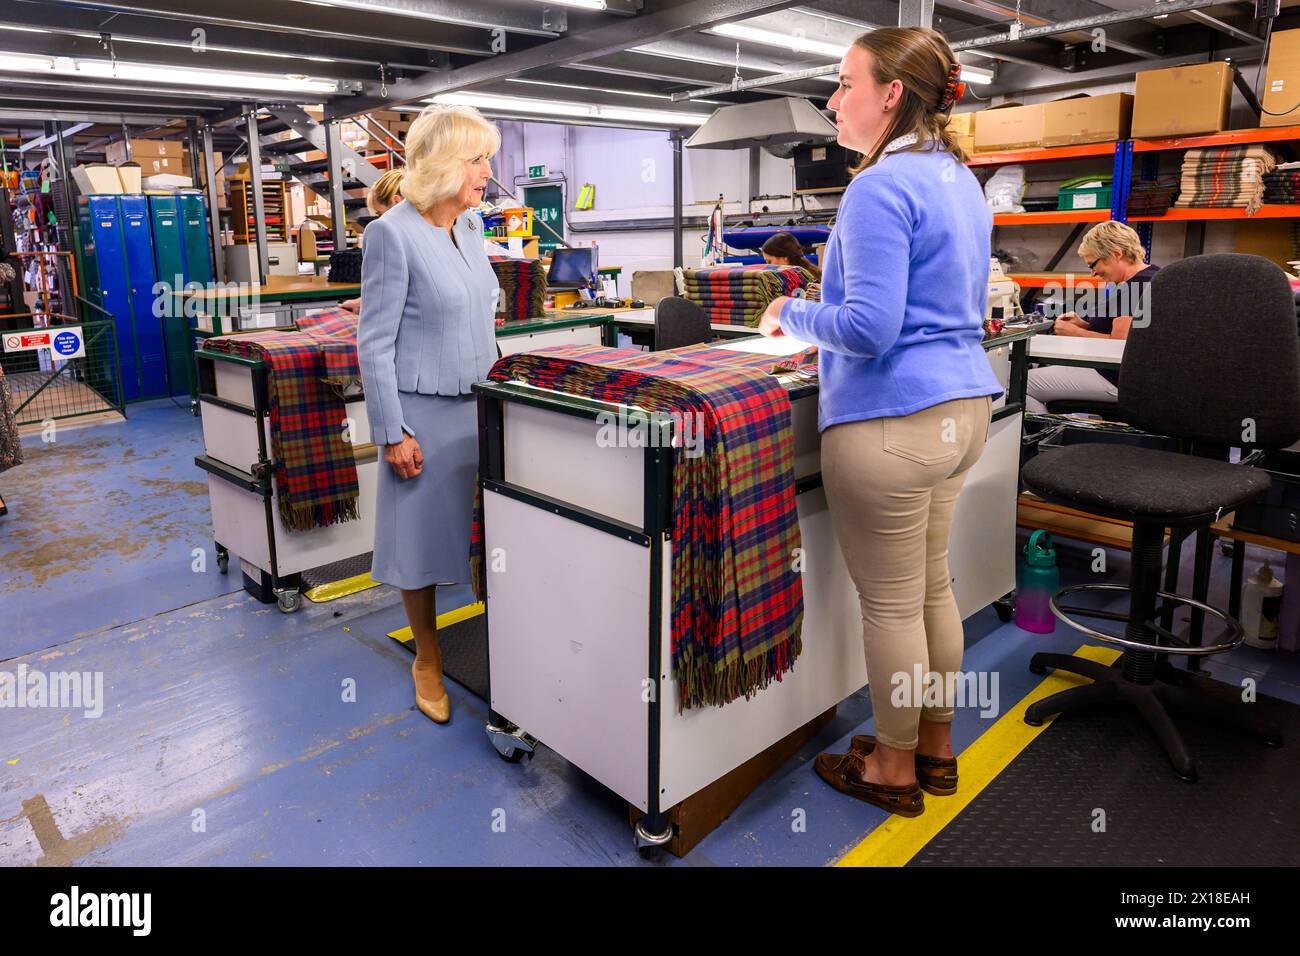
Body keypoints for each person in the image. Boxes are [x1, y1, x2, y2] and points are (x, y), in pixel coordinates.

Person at [757, 26, 1003, 817]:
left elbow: (867, 328)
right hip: (962, 410)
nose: (832, 101)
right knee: (934, 587)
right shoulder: (958, 178)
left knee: (893, 606)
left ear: (890, 95)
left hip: (892, 417)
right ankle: (934, 748)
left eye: (843, 84)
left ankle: (892, 770)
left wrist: (788, 312)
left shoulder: (875, 187)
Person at [356, 105, 500, 725]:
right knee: (419, 547)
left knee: (490, 536)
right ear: (444, 164)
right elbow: (373, 342)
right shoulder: (391, 234)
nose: (488, 172)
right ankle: (428, 656)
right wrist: (392, 433)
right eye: (477, 160)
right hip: (422, 415)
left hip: (481, 405)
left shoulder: (469, 229)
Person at [1026, 220, 1159, 414]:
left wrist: (1076, 332)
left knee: (1021, 385)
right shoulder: (1152, 276)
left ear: (1116, 254)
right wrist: (1085, 325)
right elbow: (1132, 332)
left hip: (1117, 379)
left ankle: (1040, 440)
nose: (1093, 273)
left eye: (1093, 264)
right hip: (1126, 376)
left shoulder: (1137, 287)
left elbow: (1121, 345)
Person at [340, 168, 405, 312]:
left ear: (396, 201)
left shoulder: (383, 230)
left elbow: (384, 294)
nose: (380, 218)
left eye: (380, 213)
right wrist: (361, 302)